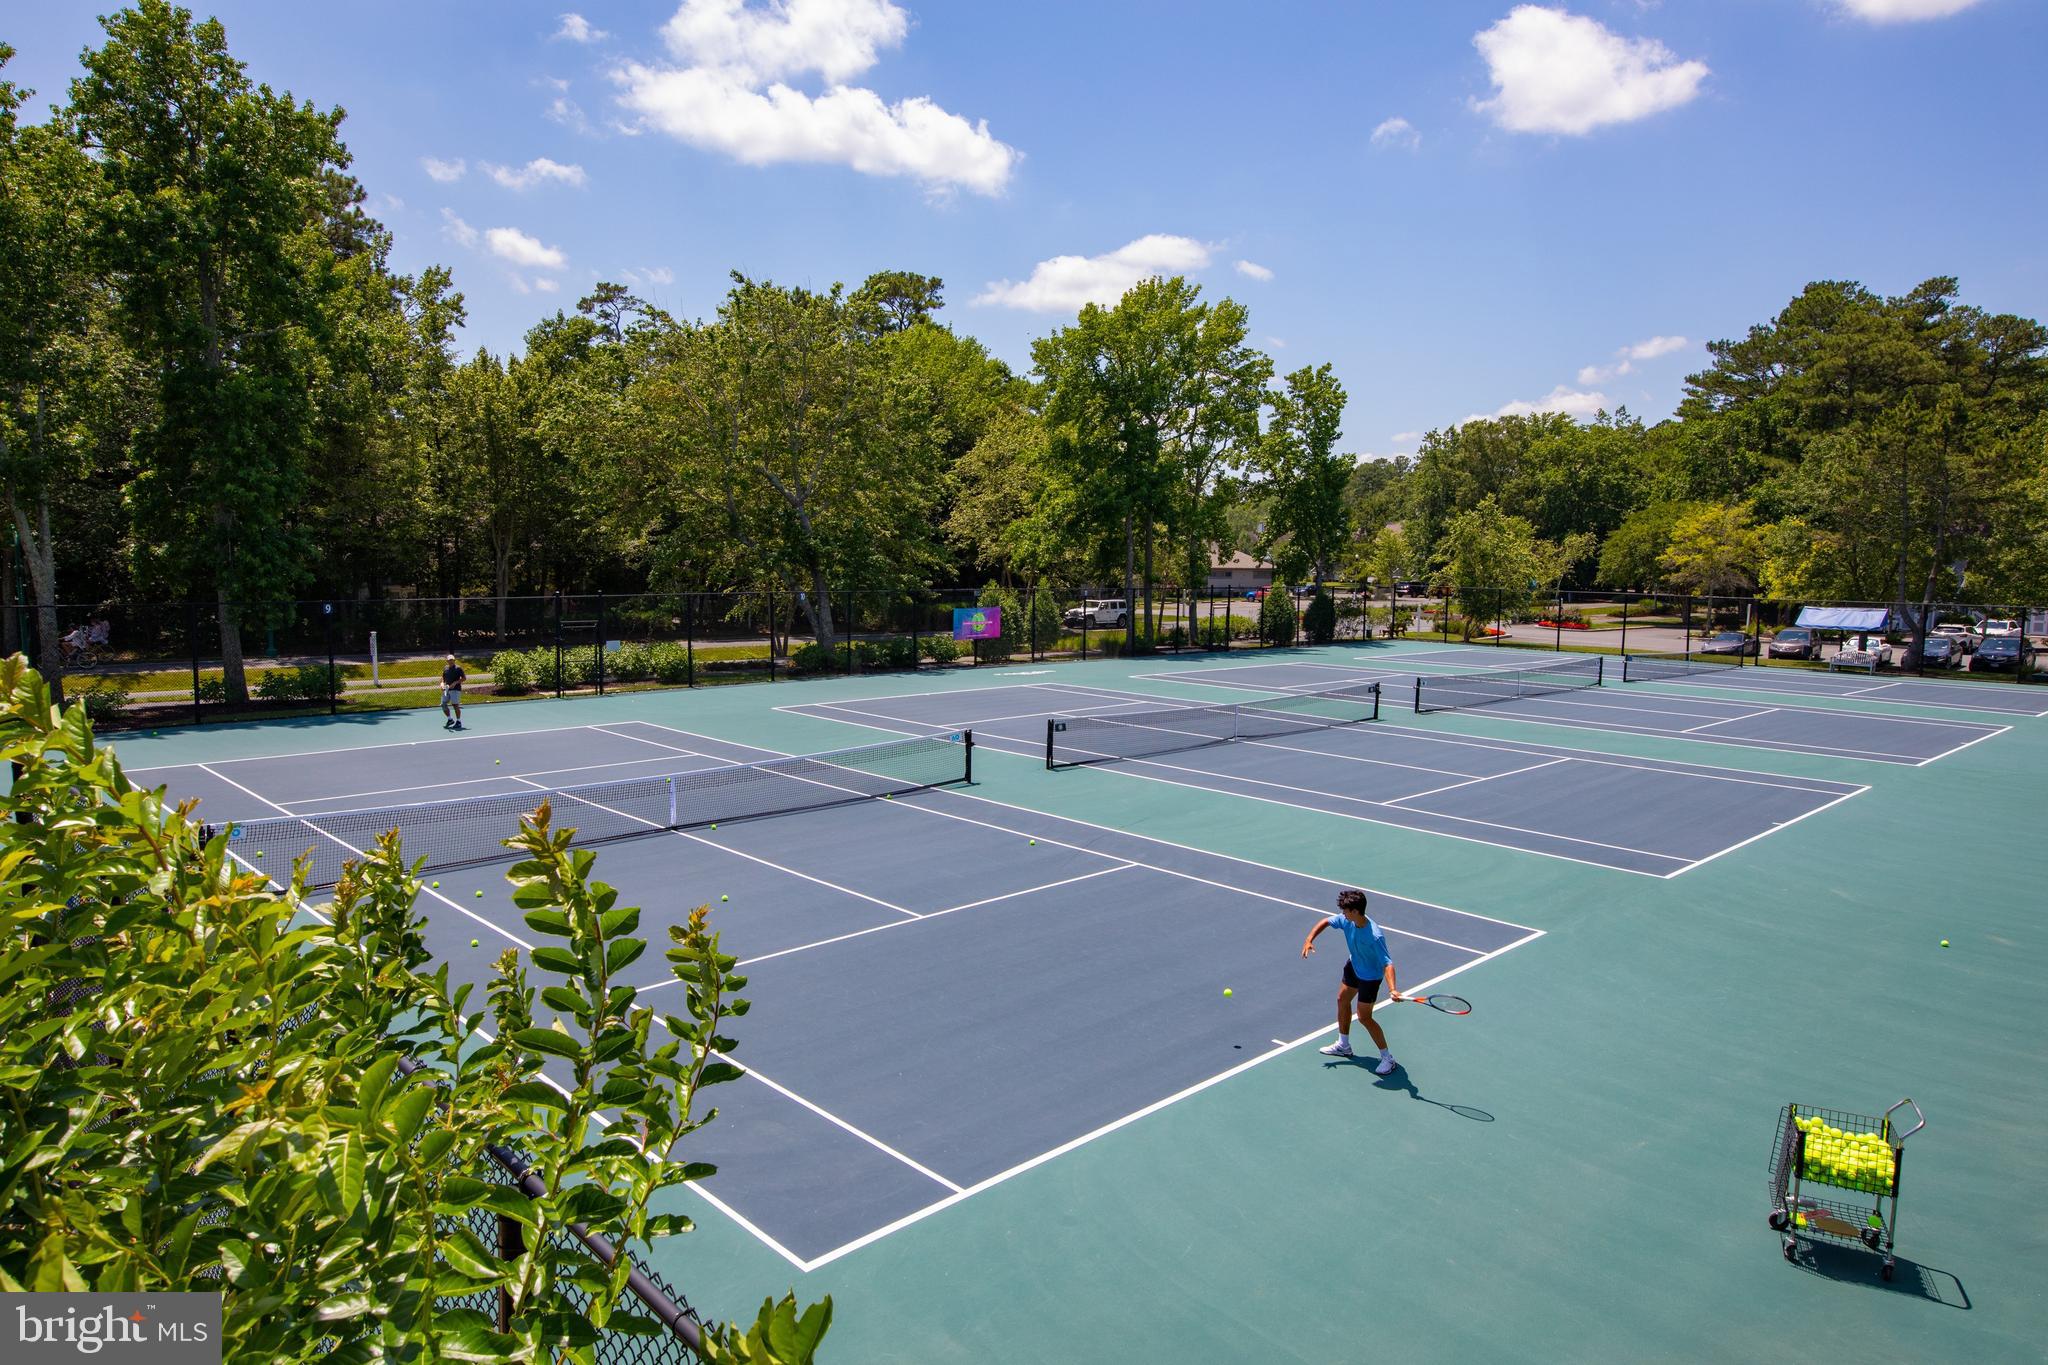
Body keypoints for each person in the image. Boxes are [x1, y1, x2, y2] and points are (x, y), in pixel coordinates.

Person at [1300, 888, 1400, 1074]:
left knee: (1364, 1018)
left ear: (1355, 912)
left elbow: (1387, 963)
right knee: (1342, 1000)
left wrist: (1392, 989)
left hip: (1370, 977)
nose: (1342, 914)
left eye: (1346, 911)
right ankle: (1343, 1045)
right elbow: (1326, 921)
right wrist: (1309, 939)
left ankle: (1388, 1058)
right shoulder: (1347, 921)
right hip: (1354, 966)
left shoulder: (1375, 935)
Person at [439, 654, 466, 731]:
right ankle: (450, 719)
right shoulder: (445, 668)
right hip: (446, 689)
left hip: (455, 689)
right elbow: (443, 678)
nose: (451, 661)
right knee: (443, 704)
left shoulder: (458, 668)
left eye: (452, 660)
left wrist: (455, 683)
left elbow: (464, 678)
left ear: (454, 660)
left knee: (455, 705)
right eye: (449, 660)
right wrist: (441, 683)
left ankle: (458, 721)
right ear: (447, 661)